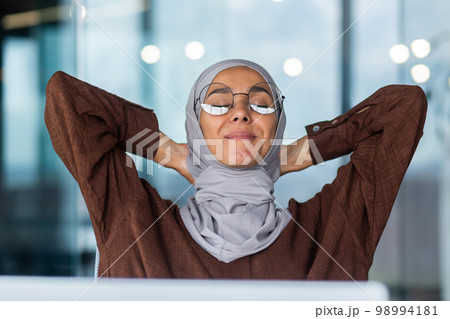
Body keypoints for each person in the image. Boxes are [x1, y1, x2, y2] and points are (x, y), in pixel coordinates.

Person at [44, 59, 427, 279]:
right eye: (217, 103)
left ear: (278, 125)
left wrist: (293, 155)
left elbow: (403, 108)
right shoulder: (134, 222)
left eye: (261, 104)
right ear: (195, 126)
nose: (241, 111)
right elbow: (69, 101)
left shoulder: (332, 232)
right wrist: (173, 153)